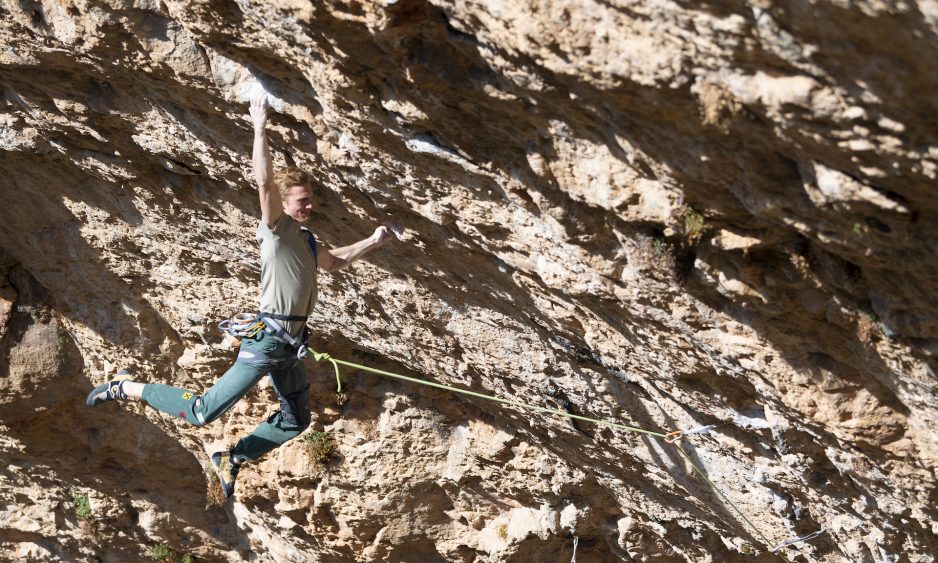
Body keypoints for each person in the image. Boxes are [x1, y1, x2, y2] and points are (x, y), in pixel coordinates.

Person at [86, 91, 393, 498]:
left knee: (296, 420)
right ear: (283, 205)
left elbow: (335, 262)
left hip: (291, 346)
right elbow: (263, 181)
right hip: (267, 341)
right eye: (302, 202)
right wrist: (259, 125)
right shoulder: (276, 230)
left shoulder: (306, 239)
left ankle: (232, 457)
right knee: (202, 412)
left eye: (310, 200)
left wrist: (374, 240)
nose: (309, 207)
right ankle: (125, 387)